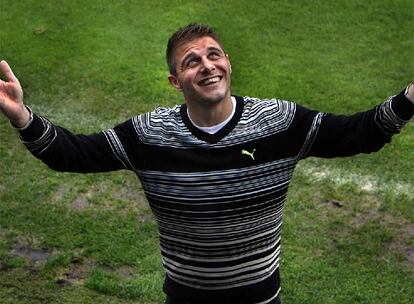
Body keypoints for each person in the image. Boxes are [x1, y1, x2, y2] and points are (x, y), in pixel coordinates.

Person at [0, 23, 413, 304]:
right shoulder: (149, 134)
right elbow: (72, 154)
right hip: (185, 297)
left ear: (228, 62)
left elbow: (358, 133)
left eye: (213, 55)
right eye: (191, 61)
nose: (207, 65)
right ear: (175, 82)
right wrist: (21, 115)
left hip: (260, 297)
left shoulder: (278, 122)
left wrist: (408, 98)